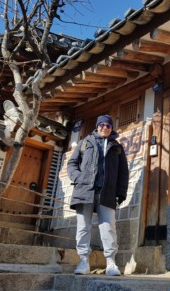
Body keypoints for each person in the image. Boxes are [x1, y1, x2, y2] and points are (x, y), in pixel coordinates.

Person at [67, 114, 129, 276]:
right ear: (97, 126)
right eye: (102, 124)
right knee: (83, 227)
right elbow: (72, 163)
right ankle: (83, 262)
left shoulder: (117, 148)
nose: (105, 128)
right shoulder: (85, 142)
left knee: (108, 227)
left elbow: (123, 173)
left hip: (106, 192)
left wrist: (121, 193)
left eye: (108, 125)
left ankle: (111, 262)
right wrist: (78, 178)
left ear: (111, 128)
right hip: (85, 190)